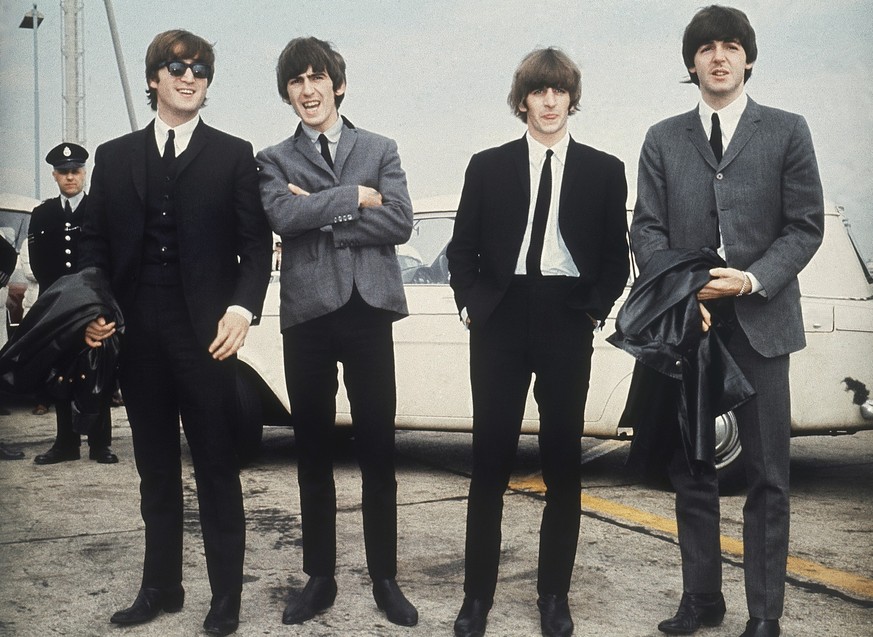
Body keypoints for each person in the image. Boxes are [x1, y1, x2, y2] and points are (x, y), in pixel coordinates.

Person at [631, 6, 824, 637]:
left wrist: (751, 278)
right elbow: (647, 229)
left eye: (731, 46)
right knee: (693, 469)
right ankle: (702, 600)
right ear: (691, 64)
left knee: (769, 473)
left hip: (763, 324)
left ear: (747, 58)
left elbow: (805, 226)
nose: (719, 56)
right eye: (707, 48)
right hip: (694, 327)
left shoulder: (787, 131)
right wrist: (688, 294)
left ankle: (764, 614)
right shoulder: (663, 138)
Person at [80, 29, 272, 637]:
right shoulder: (112, 157)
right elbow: (93, 246)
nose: (190, 77)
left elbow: (255, 247)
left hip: (206, 337)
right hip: (137, 337)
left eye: (201, 70)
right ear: (154, 78)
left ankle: (225, 600)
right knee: (155, 468)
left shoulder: (234, 154)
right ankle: (160, 587)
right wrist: (94, 310)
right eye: (177, 66)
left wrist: (241, 311)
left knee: (217, 466)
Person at [446, 48, 629, 637]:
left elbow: (614, 259)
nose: (549, 102)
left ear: (571, 98)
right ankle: (477, 599)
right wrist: (476, 305)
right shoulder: (488, 165)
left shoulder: (604, 170)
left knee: (562, 466)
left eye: (559, 91)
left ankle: (554, 596)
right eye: (538, 91)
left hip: (565, 317)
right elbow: (461, 249)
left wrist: (590, 311)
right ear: (522, 99)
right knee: (489, 463)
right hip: (500, 317)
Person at [256, 36, 417, 628]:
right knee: (313, 452)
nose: (308, 90)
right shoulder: (272, 158)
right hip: (308, 318)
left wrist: (322, 210)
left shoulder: (381, 146)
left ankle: (385, 579)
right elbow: (282, 216)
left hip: (369, 312)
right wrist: (352, 197)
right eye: (296, 81)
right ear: (288, 94)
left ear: (338, 85)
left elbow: (399, 221)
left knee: (378, 451)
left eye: (317, 78)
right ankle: (319, 578)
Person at [28, 142, 117, 465]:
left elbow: (109, 260)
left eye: (75, 172)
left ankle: (100, 444)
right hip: (58, 309)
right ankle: (65, 443)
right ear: (54, 176)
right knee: (61, 373)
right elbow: (40, 264)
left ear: (85, 173)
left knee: (98, 373)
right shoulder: (43, 214)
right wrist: (61, 304)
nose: (70, 178)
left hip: (94, 306)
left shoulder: (100, 210)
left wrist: (96, 304)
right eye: (63, 173)